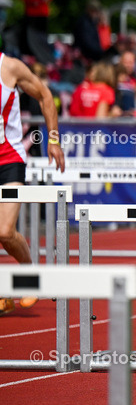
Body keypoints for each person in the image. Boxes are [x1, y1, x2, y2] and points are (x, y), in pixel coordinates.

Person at [0, 51, 65, 315]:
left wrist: (53, 140)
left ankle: (28, 274)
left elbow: (45, 95)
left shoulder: (10, 67)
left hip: (9, 159)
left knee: (4, 231)